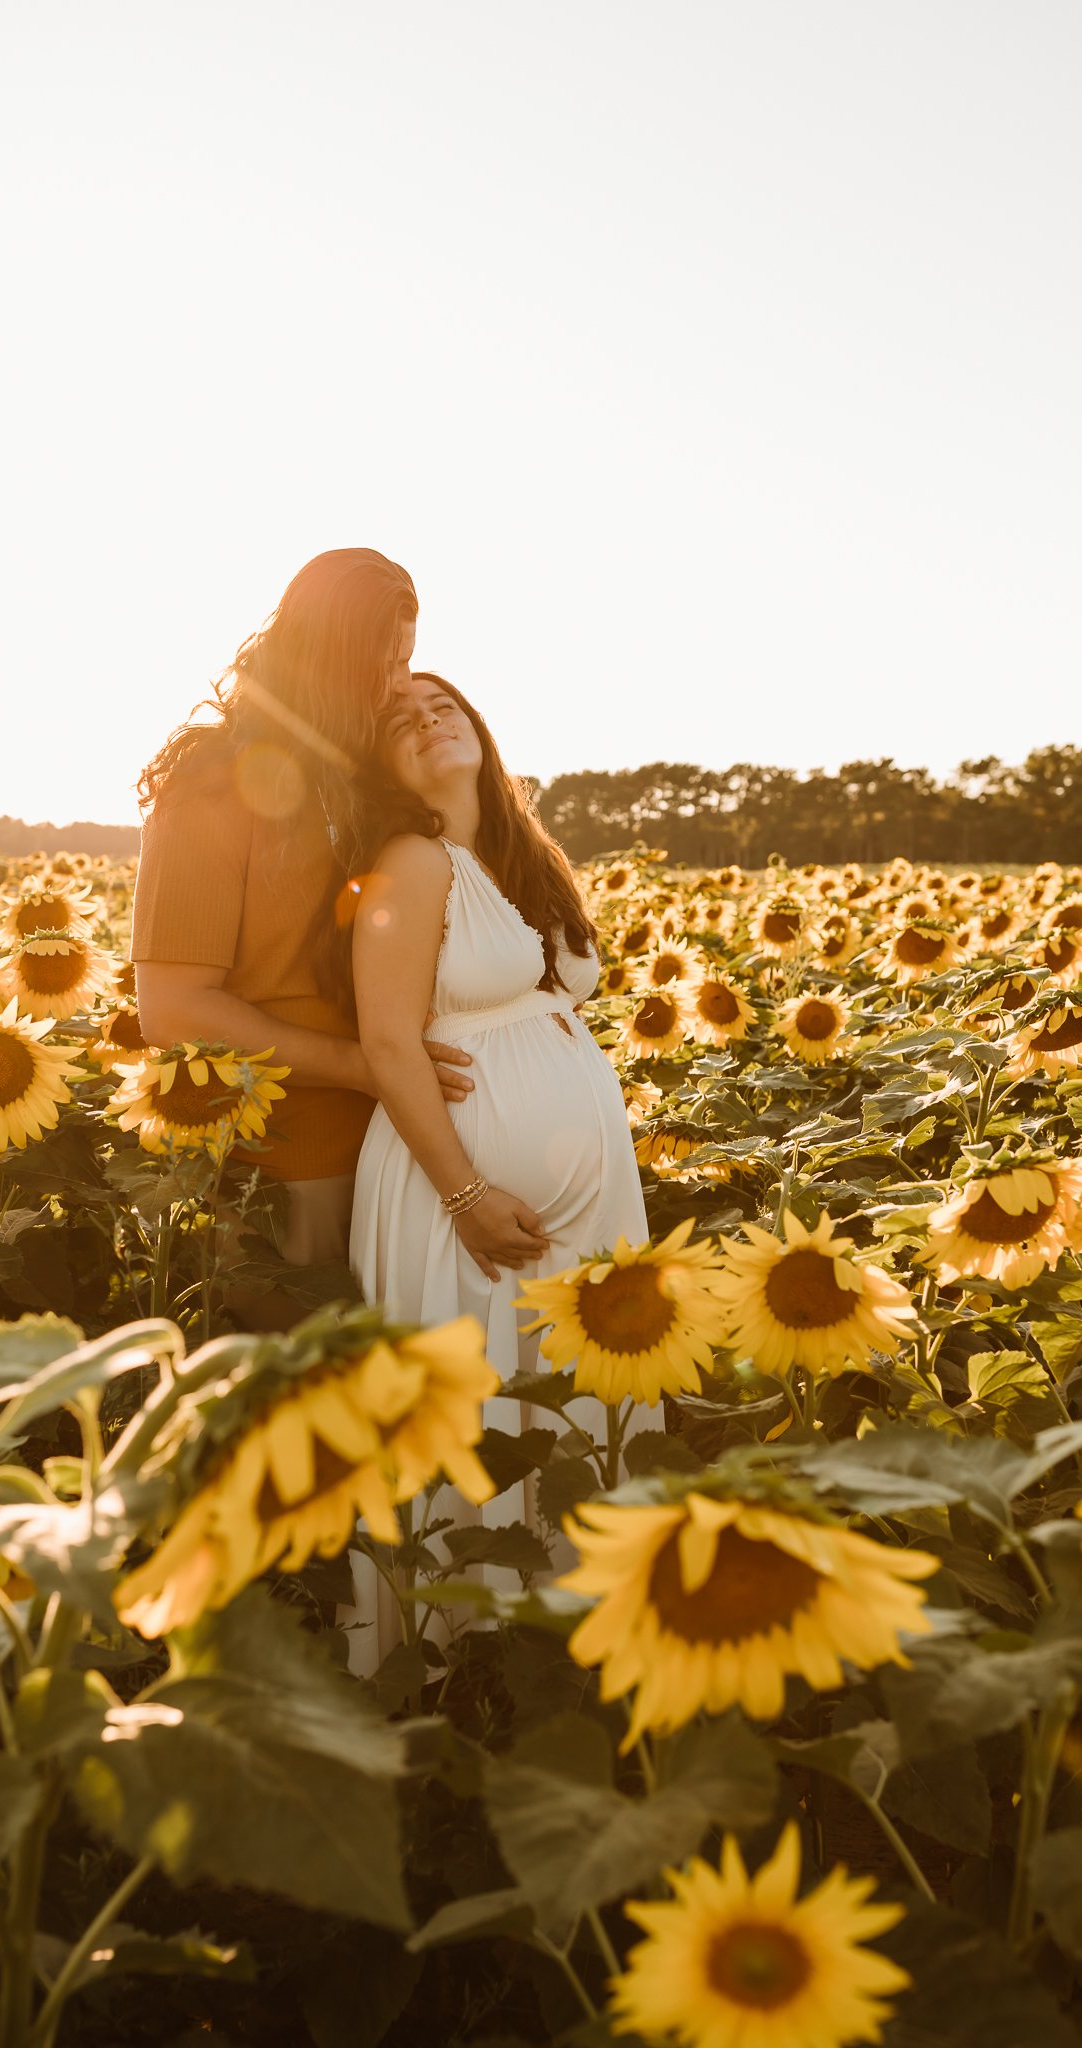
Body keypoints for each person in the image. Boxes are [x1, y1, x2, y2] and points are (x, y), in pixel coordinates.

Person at [325, 672, 652, 1666]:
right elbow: (387, 1043)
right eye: (401, 720)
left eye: (444, 706)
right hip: (448, 1192)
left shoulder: (522, 853)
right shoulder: (410, 861)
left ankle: (570, 1642)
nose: (429, 723)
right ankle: (465, 1665)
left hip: (582, 1196)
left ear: (481, 729)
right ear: (382, 763)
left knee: (570, 1407)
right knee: (475, 1414)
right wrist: (466, 1192)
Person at [130, 550, 473, 1325]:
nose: (397, 684)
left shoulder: (365, 776)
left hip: (414, 1151)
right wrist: (362, 1067)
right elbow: (176, 1010)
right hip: (290, 1169)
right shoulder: (211, 785)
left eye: (408, 661)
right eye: (384, 663)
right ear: (325, 658)